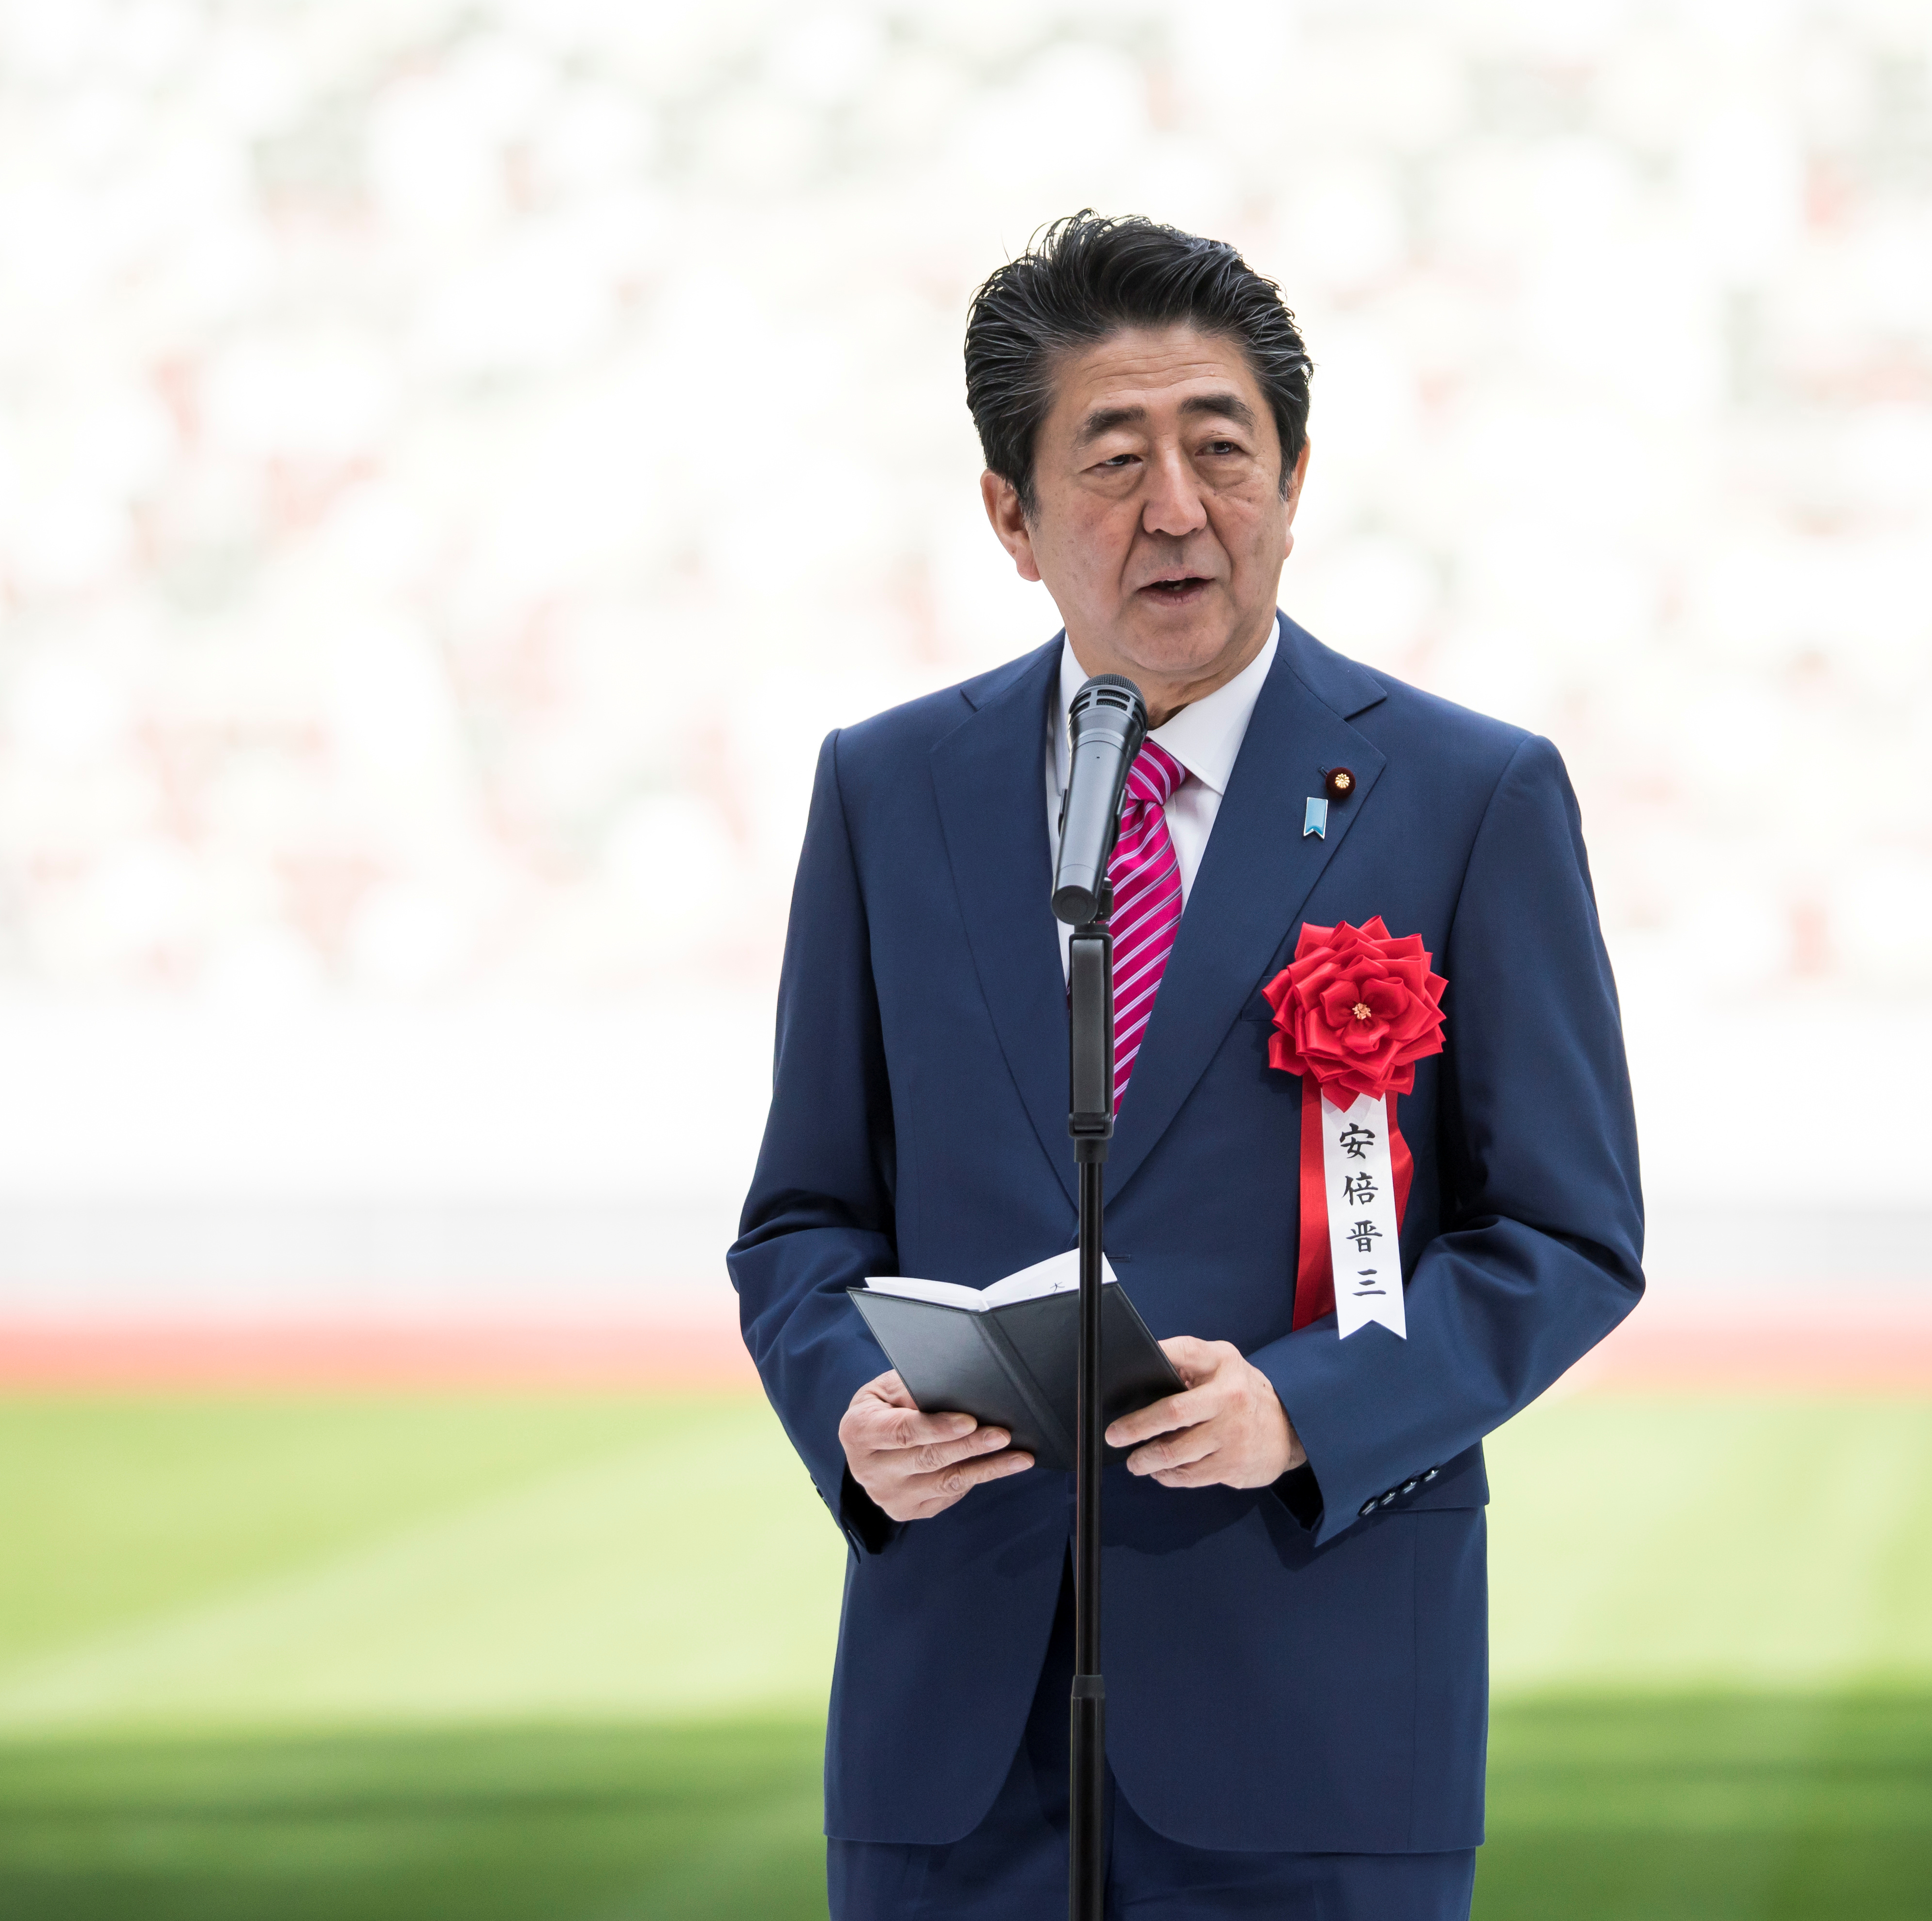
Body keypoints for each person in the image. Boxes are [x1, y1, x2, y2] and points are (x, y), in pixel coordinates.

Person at [730, 212, 1643, 1920]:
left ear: (1294, 480)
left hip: (1318, 1709)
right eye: (1111, 458)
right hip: (953, 1731)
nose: (1176, 509)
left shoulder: (1469, 796)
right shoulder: (889, 788)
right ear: (1009, 516)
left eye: (1222, 449)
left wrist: (1305, 1405)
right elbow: (800, 1215)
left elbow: (1568, 1235)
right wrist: (840, 1405)